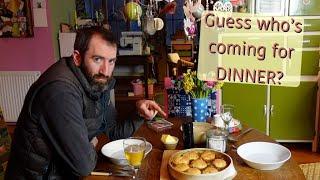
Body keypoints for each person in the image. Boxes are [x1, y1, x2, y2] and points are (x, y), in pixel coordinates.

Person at [5, 27, 166, 179]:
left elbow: (114, 131)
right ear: (77, 57)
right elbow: (84, 164)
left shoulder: (96, 82)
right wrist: (90, 144)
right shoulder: (60, 91)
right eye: (97, 59)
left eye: (111, 61)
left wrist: (138, 113)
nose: (106, 70)